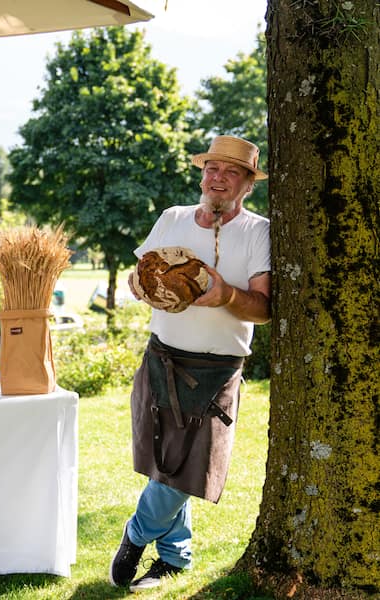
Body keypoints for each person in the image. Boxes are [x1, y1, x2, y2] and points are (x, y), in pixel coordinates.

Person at [109, 135, 271, 591]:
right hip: (162, 355)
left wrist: (226, 296)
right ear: (202, 174)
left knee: (189, 468)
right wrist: (141, 286)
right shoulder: (172, 218)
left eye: (231, 172)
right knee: (165, 463)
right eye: (212, 169)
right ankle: (175, 557)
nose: (218, 178)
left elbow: (264, 307)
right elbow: (136, 275)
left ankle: (137, 534)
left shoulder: (258, 231)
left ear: (246, 185)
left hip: (218, 369)